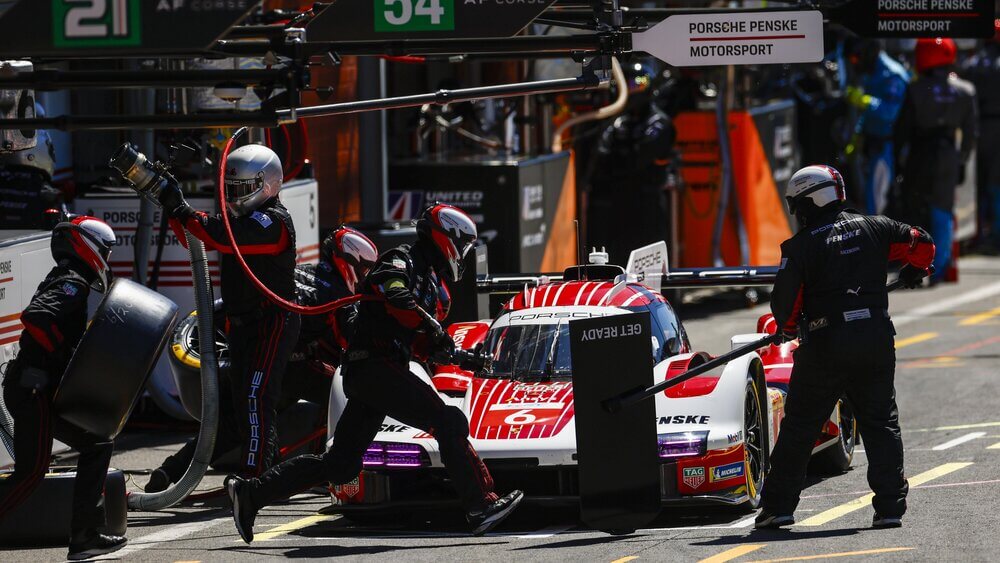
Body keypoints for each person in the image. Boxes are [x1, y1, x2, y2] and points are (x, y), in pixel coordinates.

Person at [225, 204, 524, 543]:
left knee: (341, 465)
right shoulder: (403, 259)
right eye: (464, 247)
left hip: (376, 373)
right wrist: (431, 327)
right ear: (447, 240)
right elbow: (391, 291)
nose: (465, 256)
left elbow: (421, 341)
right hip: (374, 367)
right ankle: (481, 505)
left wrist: (462, 356)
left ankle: (250, 494)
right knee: (448, 421)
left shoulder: (427, 278)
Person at [754, 165, 934, 530]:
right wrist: (916, 269)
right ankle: (889, 508)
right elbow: (923, 244)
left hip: (825, 346)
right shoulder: (879, 227)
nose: (795, 214)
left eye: (796, 206)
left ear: (810, 202)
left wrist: (788, 330)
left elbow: (785, 309)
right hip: (874, 339)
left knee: (800, 428)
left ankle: (778, 507)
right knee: (881, 422)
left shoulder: (799, 248)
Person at [144, 227, 379, 492]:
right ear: (348, 262)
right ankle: (321, 470)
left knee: (232, 425)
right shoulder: (339, 295)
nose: (362, 278)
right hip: (285, 363)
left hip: (247, 349)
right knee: (347, 394)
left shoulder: (303, 270)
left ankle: (170, 469)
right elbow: (351, 344)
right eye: (363, 270)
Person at [159, 144, 300, 477]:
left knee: (255, 399)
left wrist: (185, 211)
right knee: (239, 407)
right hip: (242, 326)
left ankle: (253, 478)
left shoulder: (272, 222)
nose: (235, 196)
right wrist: (172, 207)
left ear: (268, 184)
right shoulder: (244, 219)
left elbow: (223, 238)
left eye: (242, 189)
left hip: (272, 321)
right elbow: (196, 236)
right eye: (231, 189)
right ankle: (258, 471)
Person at [0, 216, 127, 559]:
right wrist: (65, 355)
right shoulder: (73, 282)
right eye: (106, 250)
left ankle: (85, 535)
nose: (107, 257)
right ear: (90, 247)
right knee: (31, 473)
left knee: (97, 443)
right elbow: (37, 318)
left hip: (40, 388)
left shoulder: (72, 278)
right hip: (33, 390)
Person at [895, 38, 977, 284]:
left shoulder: (915, 89)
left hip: (920, 155)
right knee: (942, 212)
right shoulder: (965, 90)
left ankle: (917, 265)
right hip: (947, 155)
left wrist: (900, 162)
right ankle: (938, 269)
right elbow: (971, 134)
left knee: (916, 211)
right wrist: (962, 161)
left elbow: (902, 130)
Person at [845, 38, 910, 214]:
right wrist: (857, 136)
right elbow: (867, 116)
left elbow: (891, 112)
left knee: (877, 202)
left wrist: (864, 101)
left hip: (886, 146)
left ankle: (878, 239)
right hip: (871, 143)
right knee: (867, 197)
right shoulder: (873, 71)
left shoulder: (892, 74)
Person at [963, 23, 1000, 249]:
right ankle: (996, 233)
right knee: (996, 185)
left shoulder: (973, 64)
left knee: (979, 184)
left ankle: (977, 234)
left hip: (978, 128)